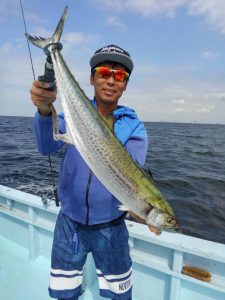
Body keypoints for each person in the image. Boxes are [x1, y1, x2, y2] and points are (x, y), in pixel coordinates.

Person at [30, 44, 158, 300]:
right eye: (103, 72)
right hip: (69, 224)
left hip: (111, 228)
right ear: (92, 78)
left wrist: (140, 208)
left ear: (125, 84)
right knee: (64, 294)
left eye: (119, 76)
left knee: (119, 296)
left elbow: (131, 180)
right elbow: (46, 147)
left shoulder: (134, 127)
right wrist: (45, 109)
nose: (111, 80)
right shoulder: (73, 114)